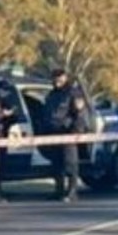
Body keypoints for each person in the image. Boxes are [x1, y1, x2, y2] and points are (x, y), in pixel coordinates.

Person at [44, 68, 88, 203]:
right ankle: (59, 190)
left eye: (59, 78)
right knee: (56, 163)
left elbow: (80, 114)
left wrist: (75, 131)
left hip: (68, 133)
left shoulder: (73, 93)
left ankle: (72, 192)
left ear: (65, 78)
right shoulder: (51, 95)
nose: (56, 81)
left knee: (70, 163)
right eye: (54, 78)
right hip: (53, 132)